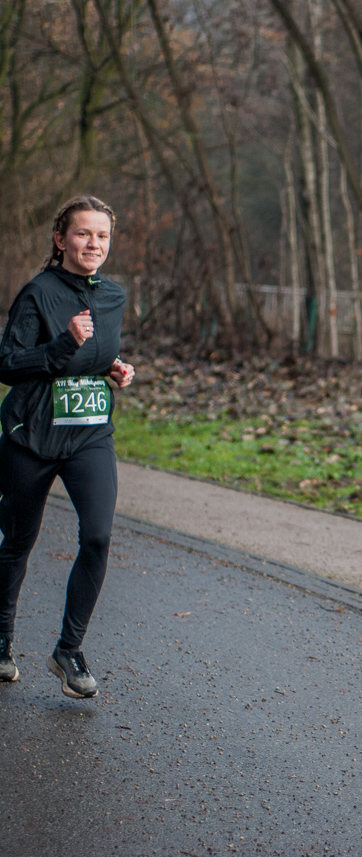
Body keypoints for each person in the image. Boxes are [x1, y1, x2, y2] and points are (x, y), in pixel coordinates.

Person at [0, 195, 135, 698]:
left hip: (88, 434)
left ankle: (69, 650)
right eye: (83, 233)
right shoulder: (38, 292)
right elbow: (7, 363)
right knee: (18, 541)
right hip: (32, 435)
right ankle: (1, 640)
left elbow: (94, 353)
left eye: (102, 235)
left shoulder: (114, 295)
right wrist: (63, 345)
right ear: (61, 239)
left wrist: (112, 367)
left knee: (97, 535)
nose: (93, 244)